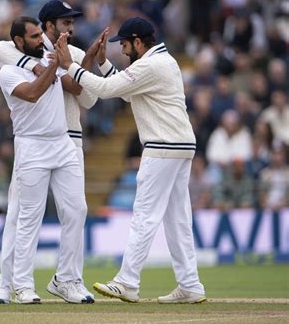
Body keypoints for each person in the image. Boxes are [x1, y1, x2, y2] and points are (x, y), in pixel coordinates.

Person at [55, 16, 206, 304]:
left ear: (138, 41)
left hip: (163, 146)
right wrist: (101, 64)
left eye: (124, 44)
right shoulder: (161, 62)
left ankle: (127, 282)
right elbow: (125, 92)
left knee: (144, 216)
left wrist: (70, 66)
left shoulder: (152, 64)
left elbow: (108, 90)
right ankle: (190, 284)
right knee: (177, 219)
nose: (122, 50)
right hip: (179, 145)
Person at [0, 1, 111, 304]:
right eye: (64, 21)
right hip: (31, 144)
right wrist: (42, 64)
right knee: (25, 216)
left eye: (73, 21)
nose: (70, 26)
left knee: (77, 210)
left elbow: (84, 95)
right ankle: (14, 285)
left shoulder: (65, 54)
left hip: (65, 142)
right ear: (45, 27)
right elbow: (1, 53)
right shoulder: (15, 62)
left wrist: (85, 63)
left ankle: (67, 280)